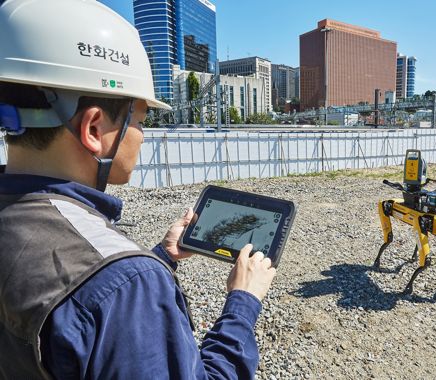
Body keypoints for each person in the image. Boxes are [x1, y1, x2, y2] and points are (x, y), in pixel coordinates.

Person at [0, 0, 276, 379]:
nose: (144, 137)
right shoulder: (130, 285)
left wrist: (161, 257)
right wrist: (243, 301)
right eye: (141, 120)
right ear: (95, 129)